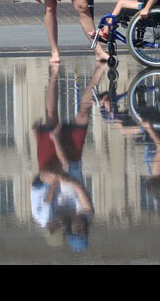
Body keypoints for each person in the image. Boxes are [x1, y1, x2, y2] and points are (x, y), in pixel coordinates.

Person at [30, 63, 106, 252]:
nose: (79, 227)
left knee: (51, 116)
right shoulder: (87, 213)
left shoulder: (52, 218)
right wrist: (64, 178)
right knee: (83, 112)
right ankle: (99, 70)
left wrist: (58, 178)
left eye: (75, 231)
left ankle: (54, 74)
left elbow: (44, 191)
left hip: (51, 171)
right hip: (71, 161)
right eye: (82, 230)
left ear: (68, 230)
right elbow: (79, 188)